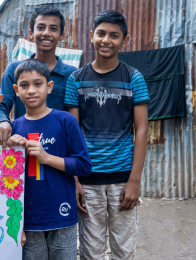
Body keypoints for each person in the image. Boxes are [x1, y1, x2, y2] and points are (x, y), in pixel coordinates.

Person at [64, 10, 149, 260]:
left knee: (124, 249)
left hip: (122, 180)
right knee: (91, 251)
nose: (106, 40)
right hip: (88, 179)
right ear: (91, 36)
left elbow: (141, 129)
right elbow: (72, 132)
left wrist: (134, 181)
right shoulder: (76, 80)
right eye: (101, 33)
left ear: (125, 40)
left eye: (114, 35)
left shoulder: (133, 78)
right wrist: (76, 180)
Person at [7, 59, 92, 260]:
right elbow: (9, 181)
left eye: (38, 84)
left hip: (62, 215)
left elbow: (84, 165)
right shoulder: (14, 128)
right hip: (29, 219)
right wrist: (12, 151)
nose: (31, 90)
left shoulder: (65, 121)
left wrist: (46, 158)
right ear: (16, 90)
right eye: (24, 85)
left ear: (49, 87)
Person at [0, 5, 77, 146]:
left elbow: (74, 118)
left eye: (53, 29)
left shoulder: (72, 74)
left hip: (58, 149)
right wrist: (3, 122)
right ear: (31, 33)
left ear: (62, 35)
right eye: (41, 27)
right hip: (22, 146)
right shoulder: (15, 70)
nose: (46, 33)